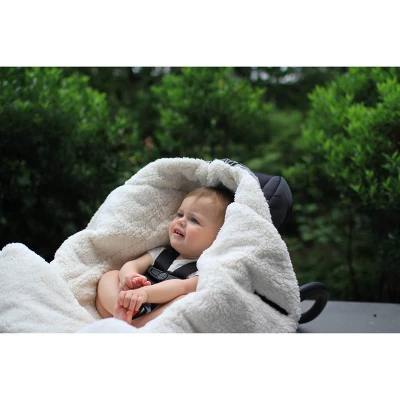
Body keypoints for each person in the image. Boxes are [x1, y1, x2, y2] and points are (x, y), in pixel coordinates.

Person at [95, 186, 234, 327]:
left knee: (184, 299)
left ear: (218, 237)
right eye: (180, 214)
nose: (181, 221)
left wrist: (145, 294)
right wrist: (129, 276)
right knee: (111, 275)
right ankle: (121, 310)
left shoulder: (202, 271)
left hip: (155, 315)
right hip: (132, 302)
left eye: (194, 220)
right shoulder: (161, 253)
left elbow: (181, 287)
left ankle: (136, 324)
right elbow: (133, 264)